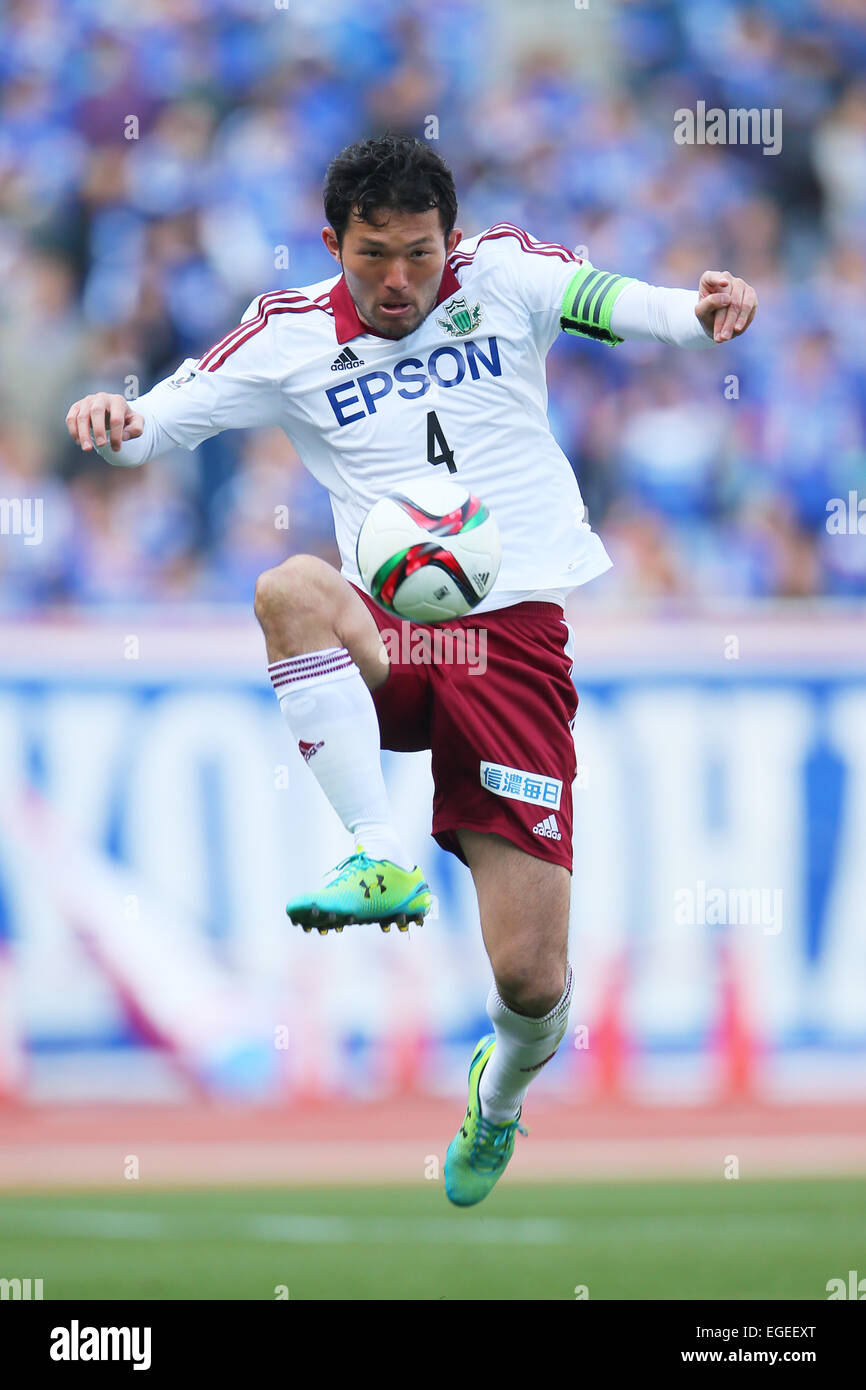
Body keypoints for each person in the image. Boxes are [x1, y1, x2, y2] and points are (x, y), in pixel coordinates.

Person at [65, 133, 757, 1207]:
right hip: (389, 632)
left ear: (452, 240)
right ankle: (376, 852)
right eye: (372, 255)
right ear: (331, 240)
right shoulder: (289, 336)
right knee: (287, 589)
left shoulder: (504, 275)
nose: (398, 281)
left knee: (529, 980)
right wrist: (116, 422)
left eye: (420, 255)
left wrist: (694, 308)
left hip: (511, 643)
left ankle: (500, 1097)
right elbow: (160, 422)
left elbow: (609, 300)